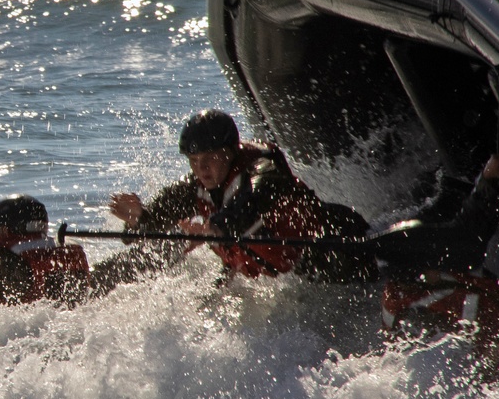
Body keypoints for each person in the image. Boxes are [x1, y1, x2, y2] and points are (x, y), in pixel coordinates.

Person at [89, 109, 376, 295]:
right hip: (291, 276)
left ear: (230, 152)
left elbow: (254, 198)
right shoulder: (197, 185)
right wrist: (140, 220)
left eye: (210, 158)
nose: (201, 169)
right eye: (194, 161)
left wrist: (216, 225)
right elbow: (157, 221)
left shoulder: (263, 168)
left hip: (338, 250)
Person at [378, 153, 499, 380]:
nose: (441, 254)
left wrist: (487, 182)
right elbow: (466, 236)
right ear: (427, 274)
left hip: (484, 355)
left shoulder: (401, 289)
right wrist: (489, 182)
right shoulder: (430, 304)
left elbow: (461, 234)